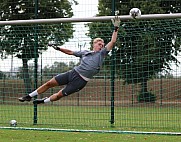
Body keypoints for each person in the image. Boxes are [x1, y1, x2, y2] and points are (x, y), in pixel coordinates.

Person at [18, 16, 120, 104]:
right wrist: (58, 48)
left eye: (102, 45)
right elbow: (70, 52)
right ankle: (29, 96)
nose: (101, 46)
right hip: (73, 73)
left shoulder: (102, 54)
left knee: (59, 95)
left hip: (80, 81)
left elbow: (113, 41)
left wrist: (116, 28)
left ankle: (44, 101)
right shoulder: (85, 52)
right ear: (94, 45)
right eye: (99, 44)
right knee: (49, 83)